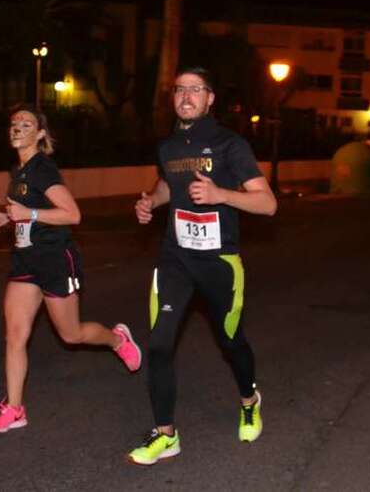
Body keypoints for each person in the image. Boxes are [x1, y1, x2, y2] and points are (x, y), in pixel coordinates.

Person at [127, 67, 277, 464]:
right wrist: (152, 201)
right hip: (175, 258)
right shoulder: (168, 146)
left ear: (210, 98)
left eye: (195, 89)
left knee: (231, 341)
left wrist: (220, 194)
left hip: (219, 262)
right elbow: (167, 185)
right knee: (159, 344)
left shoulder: (230, 144)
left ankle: (249, 400)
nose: (186, 96)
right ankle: (166, 435)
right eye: (180, 89)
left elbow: (268, 203)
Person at [0, 104, 142, 433]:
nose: (17, 128)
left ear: (40, 134)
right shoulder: (18, 172)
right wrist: (9, 218)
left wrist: (29, 215)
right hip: (25, 260)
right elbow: (27, 212)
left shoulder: (43, 169)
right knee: (15, 335)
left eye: (26, 124)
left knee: (71, 334)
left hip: (55, 259)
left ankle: (117, 340)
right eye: (14, 123)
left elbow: (73, 214)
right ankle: (15, 409)